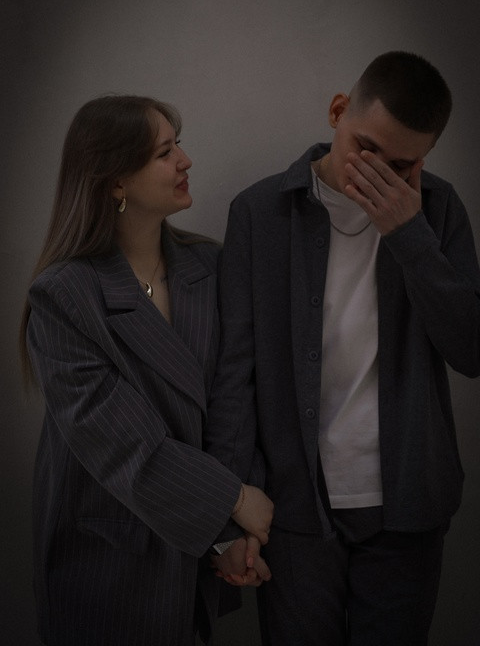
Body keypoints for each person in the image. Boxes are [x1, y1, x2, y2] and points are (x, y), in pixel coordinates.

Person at [205, 52, 480, 645]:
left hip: (408, 505)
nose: (378, 173)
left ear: (424, 157)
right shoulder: (259, 212)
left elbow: (471, 350)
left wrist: (409, 235)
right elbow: (234, 375)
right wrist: (230, 512)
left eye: (401, 164)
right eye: (366, 148)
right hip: (295, 509)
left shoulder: (437, 208)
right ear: (337, 112)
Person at [19, 95, 273, 646]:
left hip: (195, 559)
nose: (185, 160)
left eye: (178, 145)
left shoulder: (211, 266)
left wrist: (228, 537)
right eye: (164, 152)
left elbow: (233, 401)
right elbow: (124, 447)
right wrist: (233, 501)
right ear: (116, 181)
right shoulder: (64, 296)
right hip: (105, 563)